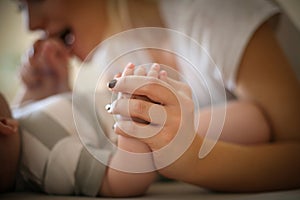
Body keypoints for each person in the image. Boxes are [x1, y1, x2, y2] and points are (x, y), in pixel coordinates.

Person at [14, 0, 300, 192]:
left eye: (33, 0)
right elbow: (105, 141)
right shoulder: (116, 56)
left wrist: (191, 160)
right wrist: (49, 99)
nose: (30, 24)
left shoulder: (214, 11)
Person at [0, 92, 157, 197]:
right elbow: (124, 179)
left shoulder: (20, 114)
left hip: (119, 99)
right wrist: (132, 117)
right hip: (150, 122)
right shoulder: (51, 158)